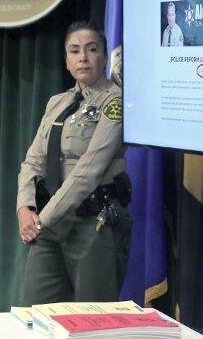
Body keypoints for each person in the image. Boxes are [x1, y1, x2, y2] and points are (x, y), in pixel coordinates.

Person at [17, 21, 131, 305]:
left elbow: (89, 170)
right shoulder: (58, 103)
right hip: (50, 223)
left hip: (94, 222)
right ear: (66, 60)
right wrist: (25, 208)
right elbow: (33, 161)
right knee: (36, 313)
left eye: (92, 49)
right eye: (74, 50)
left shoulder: (115, 102)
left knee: (92, 318)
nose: (83, 58)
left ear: (104, 56)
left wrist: (42, 220)